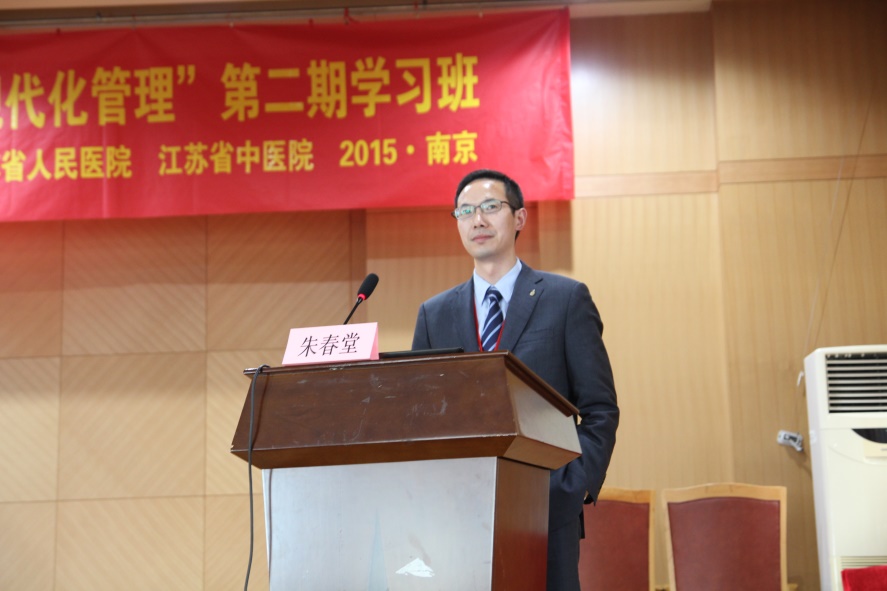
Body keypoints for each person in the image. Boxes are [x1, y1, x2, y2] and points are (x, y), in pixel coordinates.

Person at [411, 169, 619, 590]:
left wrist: (573, 484)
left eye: (491, 207)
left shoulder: (565, 299)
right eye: (465, 211)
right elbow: (420, 418)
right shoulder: (434, 314)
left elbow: (599, 409)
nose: (478, 220)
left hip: (546, 509)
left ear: (519, 217)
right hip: (457, 515)